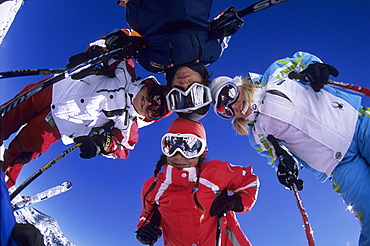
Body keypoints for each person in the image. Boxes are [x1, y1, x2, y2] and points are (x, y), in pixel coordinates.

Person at [210, 51, 370, 246]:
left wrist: (314, 67)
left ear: (238, 85)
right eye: (224, 109)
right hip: (340, 166)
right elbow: (278, 159)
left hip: (357, 125)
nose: (233, 105)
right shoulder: (257, 135)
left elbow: (301, 59)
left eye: (229, 94)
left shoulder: (275, 75)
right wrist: (286, 169)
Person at [0, 58, 171, 188]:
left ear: (148, 117)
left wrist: (102, 144)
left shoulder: (128, 123)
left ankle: (3, 182)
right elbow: (115, 46)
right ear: (149, 85)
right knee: (6, 117)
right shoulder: (126, 72)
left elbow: (123, 147)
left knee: (21, 153)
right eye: (154, 97)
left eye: (154, 110)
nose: (149, 103)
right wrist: (95, 53)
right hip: (55, 89)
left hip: (58, 126)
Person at [103, 1, 244, 120]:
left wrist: (119, 41)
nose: (184, 84)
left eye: (177, 92)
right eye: (194, 90)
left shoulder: (152, 63)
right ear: (204, 83)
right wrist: (229, 22)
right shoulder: (212, 52)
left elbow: (130, 37)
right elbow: (226, 22)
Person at [135, 117, 259, 245]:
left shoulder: (215, 172)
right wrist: (145, 230)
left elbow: (249, 179)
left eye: (189, 148)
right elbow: (147, 214)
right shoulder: (154, 186)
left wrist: (235, 202)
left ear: (202, 152)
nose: (178, 155)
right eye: (171, 146)